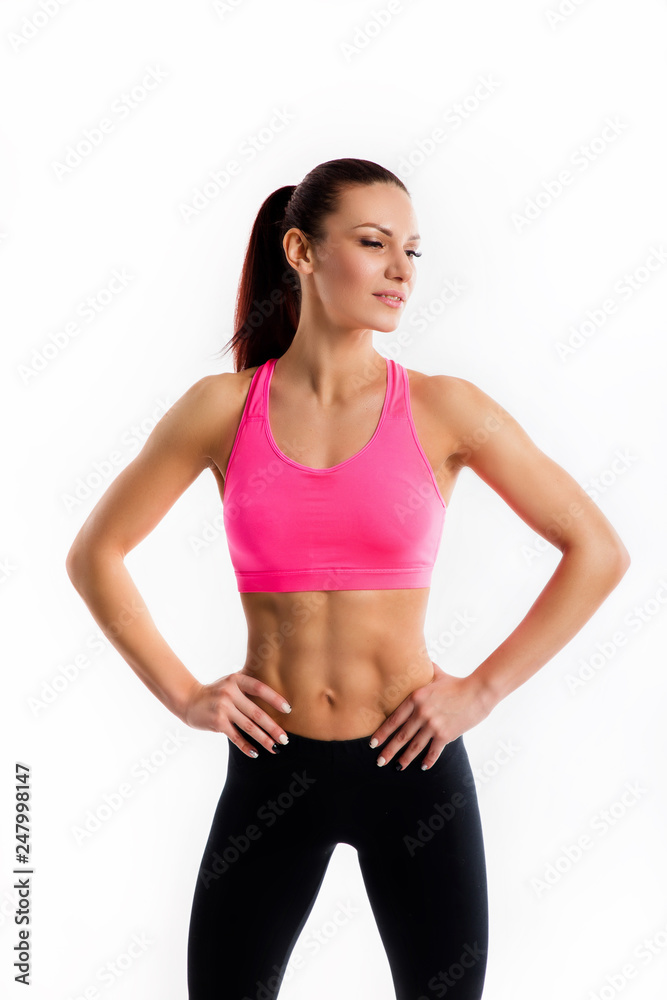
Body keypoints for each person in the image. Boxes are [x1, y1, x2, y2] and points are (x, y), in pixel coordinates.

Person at [65, 157, 631, 1000]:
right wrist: (186, 696)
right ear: (300, 250)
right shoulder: (221, 409)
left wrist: (478, 692)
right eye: (373, 244)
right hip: (272, 767)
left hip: (412, 765)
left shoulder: (445, 407)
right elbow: (95, 555)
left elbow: (596, 548)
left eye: (411, 249)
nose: (401, 270)